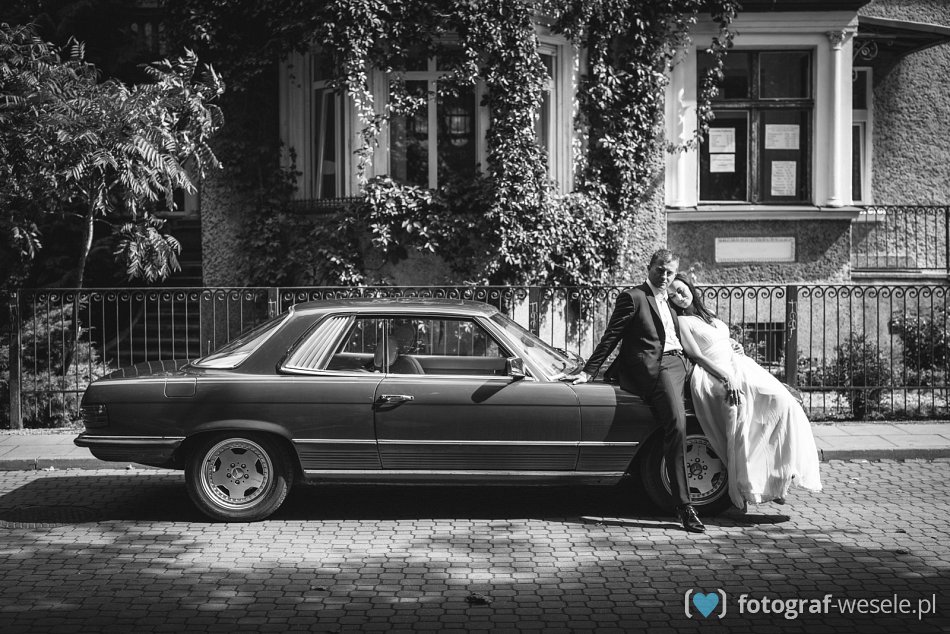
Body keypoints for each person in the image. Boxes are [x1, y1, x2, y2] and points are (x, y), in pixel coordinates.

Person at [569, 249, 705, 533]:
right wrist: (588, 371)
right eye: (660, 270)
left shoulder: (673, 299)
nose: (664, 276)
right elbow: (612, 336)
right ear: (649, 267)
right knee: (677, 425)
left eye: (669, 272)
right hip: (659, 367)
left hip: (684, 362)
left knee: (726, 395)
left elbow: (695, 328)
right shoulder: (633, 297)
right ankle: (684, 505)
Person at [668, 274, 822, 510]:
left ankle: (778, 474)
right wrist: (724, 376)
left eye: (681, 290)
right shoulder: (682, 321)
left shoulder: (708, 314)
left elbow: (720, 339)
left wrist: (734, 344)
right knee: (742, 419)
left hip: (739, 364)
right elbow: (696, 354)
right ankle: (751, 484)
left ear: (689, 287)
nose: (679, 297)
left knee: (783, 401)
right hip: (715, 371)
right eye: (673, 296)